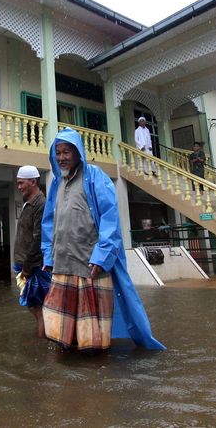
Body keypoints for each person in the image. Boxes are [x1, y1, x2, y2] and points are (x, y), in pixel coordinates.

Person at [40, 128, 165, 352]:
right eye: (57, 152)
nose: (61, 157)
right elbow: (49, 223)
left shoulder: (95, 177)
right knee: (62, 332)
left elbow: (110, 219)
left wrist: (101, 257)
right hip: (62, 265)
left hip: (89, 265)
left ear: (78, 152)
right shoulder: (57, 183)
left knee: (92, 336)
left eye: (66, 152)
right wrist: (49, 256)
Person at [13, 165, 49, 337]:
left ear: (33, 182)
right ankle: (43, 340)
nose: (19, 187)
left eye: (22, 183)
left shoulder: (41, 204)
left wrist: (27, 268)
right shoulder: (29, 203)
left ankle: (43, 344)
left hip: (34, 266)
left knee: (39, 308)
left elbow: (38, 239)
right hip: (25, 264)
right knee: (32, 305)